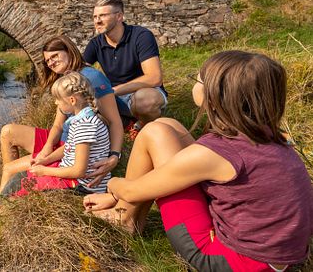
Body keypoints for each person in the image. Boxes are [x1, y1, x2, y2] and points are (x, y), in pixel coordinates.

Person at [84, 50, 313, 271]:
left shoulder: (217, 152)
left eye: (198, 79)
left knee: (153, 132)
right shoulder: (271, 137)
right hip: (277, 255)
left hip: (234, 262)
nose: (195, 83)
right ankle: (126, 214)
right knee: (168, 126)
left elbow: (133, 191)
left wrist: (113, 186)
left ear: (215, 97)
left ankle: (124, 218)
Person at [0, 71, 111, 229]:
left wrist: (45, 171)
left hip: (81, 187)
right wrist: (46, 160)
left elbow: (79, 171)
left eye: (58, 100)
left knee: (18, 190)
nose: (55, 104)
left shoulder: (84, 125)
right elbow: (69, 147)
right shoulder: (83, 119)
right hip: (71, 177)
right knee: (18, 177)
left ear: (72, 100)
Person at [0, 36, 124, 190]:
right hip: (63, 143)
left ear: (69, 50)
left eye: (54, 56)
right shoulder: (64, 78)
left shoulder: (93, 77)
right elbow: (58, 125)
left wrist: (114, 156)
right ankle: (5, 190)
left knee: (10, 169)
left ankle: (3, 198)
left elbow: (114, 121)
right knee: (8, 131)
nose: (51, 63)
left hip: (73, 147)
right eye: (47, 60)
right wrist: (47, 147)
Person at [83, 0, 167, 128]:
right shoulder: (95, 43)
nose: (97, 21)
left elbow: (154, 78)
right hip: (114, 97)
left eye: (103, 16)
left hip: (144, 91)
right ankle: (127, 123)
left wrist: (111, 91)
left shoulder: (141, 36)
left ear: (119, 17)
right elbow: (80, 72)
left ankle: (144, 124)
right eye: (95, 17)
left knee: (145, 101)